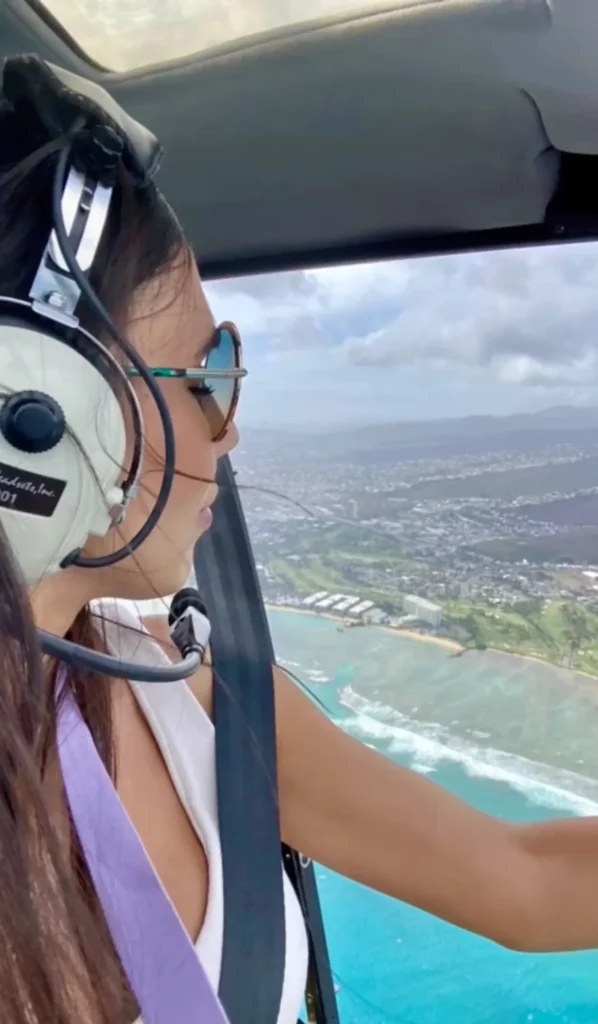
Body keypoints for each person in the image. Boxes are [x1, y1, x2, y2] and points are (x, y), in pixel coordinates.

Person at [0, 56, 598, 1024]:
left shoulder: (192, 695)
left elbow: (523, 881)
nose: (230, 428)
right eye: (209, 370)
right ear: (29, 410)